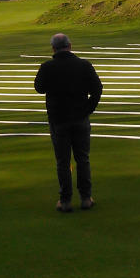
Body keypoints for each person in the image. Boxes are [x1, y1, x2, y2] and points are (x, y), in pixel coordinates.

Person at [34, 33, 103, 213]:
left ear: (53, 48)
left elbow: (39, 88)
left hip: (58, 120)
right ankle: (86, 198)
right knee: (83, 159)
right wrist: (88, 108)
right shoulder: (84, 65)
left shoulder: (48, 67)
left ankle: (65, 201)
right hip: (80, 118)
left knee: (63, 161)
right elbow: (97, 88)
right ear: (70, 45)